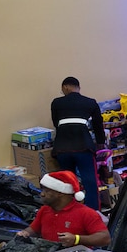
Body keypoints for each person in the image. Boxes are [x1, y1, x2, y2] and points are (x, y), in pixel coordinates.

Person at [50, 76, 106, 211]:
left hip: (62, 149)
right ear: (78, 88)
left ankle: (70, 211)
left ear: (65, 87)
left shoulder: (56, 103)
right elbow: (99, 125)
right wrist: (100, 143)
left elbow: (56, 123)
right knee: (90, 181)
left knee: (68, 183)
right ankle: (94, 212)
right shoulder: (90, 102)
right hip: (83, 147)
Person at [15, 170, 110, 247]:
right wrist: (25, 233)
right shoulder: (44, 210)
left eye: (47, 191)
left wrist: (76, 239)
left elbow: (105, 238)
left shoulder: (86, 213)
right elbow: (34, 229)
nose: (42, 194)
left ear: (60, 193)